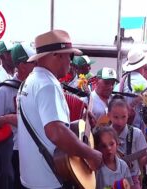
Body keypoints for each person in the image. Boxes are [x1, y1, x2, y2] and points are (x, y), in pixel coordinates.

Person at [16, 30, 102, 189]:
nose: (70, 62)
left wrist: (79, 123)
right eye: (69, 56)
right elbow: (56, 132)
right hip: (48, 181)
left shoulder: (28, 82)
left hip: (30, 179)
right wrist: (90, 154)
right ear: (56, 55)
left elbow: (39, 123)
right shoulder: (48, 85)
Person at [0, 42, 36, 189]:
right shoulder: (3, 90)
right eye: (32, 62)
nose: (36, 65)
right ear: (21, 65)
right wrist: (8, 119)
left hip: (34, 149)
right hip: (13, 150)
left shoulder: (37, 86)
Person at [108, 95, 147, 189]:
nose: (120, 122)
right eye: (116, 117)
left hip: (132, 181)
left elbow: (141, 162)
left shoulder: (136, 133)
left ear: (128, 115)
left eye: (123, 117)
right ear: (108, 115)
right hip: (109, 180)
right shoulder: (104, 135)